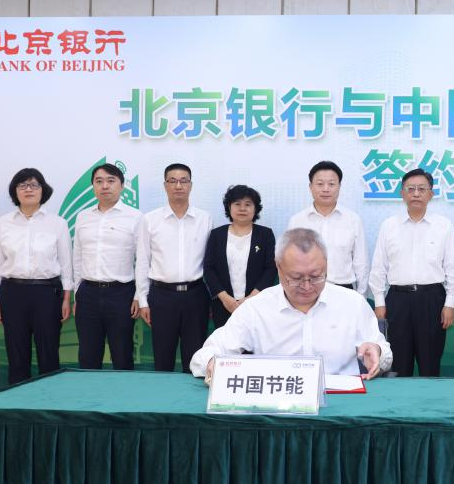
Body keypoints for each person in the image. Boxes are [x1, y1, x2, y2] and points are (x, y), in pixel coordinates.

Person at [191, 228, 390, 380]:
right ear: (278, 268)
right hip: (278, 405)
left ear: (326, 266)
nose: (307, 286)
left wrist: (377, 351)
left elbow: (383, 352)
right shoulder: (256, 308)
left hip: (341, 403)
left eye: (316, 276)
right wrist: (212, 363)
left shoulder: (352, 303)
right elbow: (203, 356)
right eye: (296, 278)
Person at [368, 169, 454, 377]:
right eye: (411, 189)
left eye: (422, 189)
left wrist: (450, 304)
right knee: (398, 364)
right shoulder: (389, 226)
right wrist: (379, 302)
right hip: (398, 300)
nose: (416, 193)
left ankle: (430, 398)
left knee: (430, 362)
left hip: (432, 300)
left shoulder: (443, 226)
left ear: (431, 194)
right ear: (402, 193)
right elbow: (379, 267)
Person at [0, 168, 73, 385]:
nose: (28, 189)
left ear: (43, 190)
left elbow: (66, 263)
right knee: (16, 354)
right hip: (12, 292)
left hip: (47, 293)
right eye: (22, 185)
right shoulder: (2, 223)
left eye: (34, 185)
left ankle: (49, 400)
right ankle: (18, 402)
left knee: (49, 353)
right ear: (15, 191)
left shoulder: (57, 223)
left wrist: (66, 298)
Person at [136, 163, 212, 372]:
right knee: (162, 357)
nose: (178, 186)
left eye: (183, 181)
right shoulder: (150, 220)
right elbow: (143, 261)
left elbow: (211, 262)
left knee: (195, 358)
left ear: (191, 185)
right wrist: (143, 300)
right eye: (173, 181)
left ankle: (191, 394)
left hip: (196, 295)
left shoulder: (204, 219)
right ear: (165, 185)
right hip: (162, 296)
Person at [71, 163, 142, 370]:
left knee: (122, 354)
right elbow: (78, 257)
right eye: (99, 181)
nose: (105, 186)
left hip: (121, 294)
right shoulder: (83, 216)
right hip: (88, 294)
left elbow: (143, 260)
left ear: (121, 186)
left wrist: (139, 295)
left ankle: (123, 392)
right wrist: (77, 292)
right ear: (93, 186)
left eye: (111, 181)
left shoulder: (135, 217)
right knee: (88, 355)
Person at [287, 161, 368, 293]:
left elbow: (361, 263)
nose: (325, 189)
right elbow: (290, 261)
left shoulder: (353, 220)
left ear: (339, 186)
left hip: (343, 289)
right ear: (310, 187)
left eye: (331, 184)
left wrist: (361, 295)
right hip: (306, 288)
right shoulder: (297, 221)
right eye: (320, 184)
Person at [203, 185, 277, 328]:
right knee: (225, 341)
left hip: (257, 304)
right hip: (224, 305)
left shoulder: (265, 234)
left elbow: (270, 269)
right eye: (237, 204)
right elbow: (209, 268)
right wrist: (225, 298)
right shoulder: (217, 235)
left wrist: (251, 299)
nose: (242, 208)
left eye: (248, 204)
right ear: (229, 207)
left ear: (255, 208)